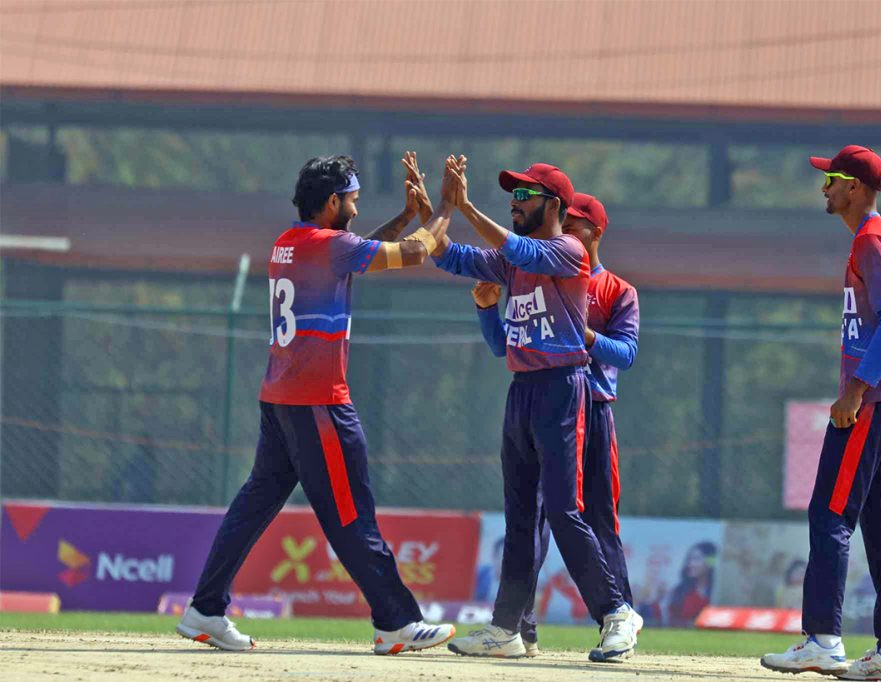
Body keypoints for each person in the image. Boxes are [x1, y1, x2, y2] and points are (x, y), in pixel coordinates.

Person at [176, 152, 459, 655]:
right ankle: (396, 621)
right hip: (318, 403)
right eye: (351, 198)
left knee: (253, 506)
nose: (355, 204)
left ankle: (206, 607)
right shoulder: (332, 248)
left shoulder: (288, 244)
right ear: (332, 202)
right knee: (352, 515)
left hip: (279, 399)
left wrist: (408, 217)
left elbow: (359, 249)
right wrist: (444, 207)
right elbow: (414, 253)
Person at [425, 158, 639, 661]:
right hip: (522, 389)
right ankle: (507, 630)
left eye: (525, 197)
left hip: (562, 389)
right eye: (512, 197)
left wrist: (467, 206)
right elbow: (451, 258)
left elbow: (516, 247)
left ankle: (616, 613)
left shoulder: (567, 252)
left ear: (554, 206)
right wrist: (434, 214)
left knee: (565, 511)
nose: (515, 204)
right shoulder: (517, 260)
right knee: (521, 519)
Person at [761, 146, 881, 682]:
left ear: (855, 187)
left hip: (874, 400)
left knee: (830, 515)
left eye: (831, 179)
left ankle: (823, 640)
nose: (824, 187)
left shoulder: (873, 239)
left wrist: (855, 391)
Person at [666, 541, 717, 628]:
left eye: (696, 559)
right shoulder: (680, 591)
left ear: (710, 562)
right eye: (689, 559)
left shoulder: (717, 590)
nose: (691, 564)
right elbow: (671, 619)